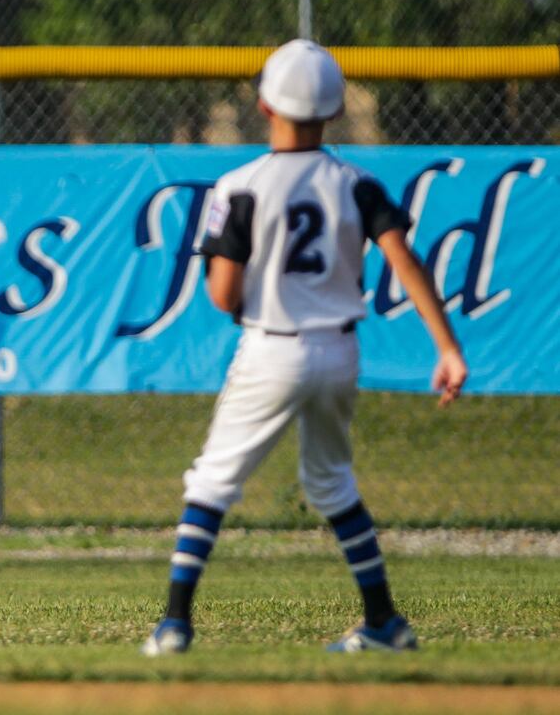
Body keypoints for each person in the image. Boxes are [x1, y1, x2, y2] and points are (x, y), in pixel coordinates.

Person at [141, 39, 469, 656]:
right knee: (332, 484)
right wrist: (446, 347)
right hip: (340, 351)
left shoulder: (240, 185)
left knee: (212, 482)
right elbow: (405, 259)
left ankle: (175, 624)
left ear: (265, 106)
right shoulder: (357, 184)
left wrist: (253, 301)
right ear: (336, 110)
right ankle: (384, 622)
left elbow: (221, 293)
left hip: (272, 346)